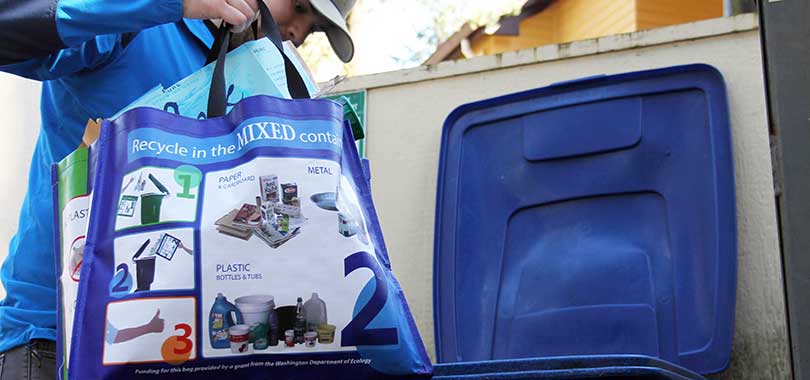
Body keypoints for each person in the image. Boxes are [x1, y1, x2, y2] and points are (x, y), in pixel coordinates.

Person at [0, 0, 356, 378]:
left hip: (172, 352)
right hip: (55, 344)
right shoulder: (138, 25)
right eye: (300, 6)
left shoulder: (259, 80)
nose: (298, 32)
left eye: (313, 27)